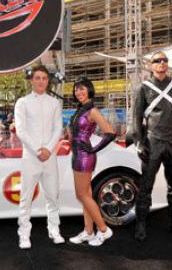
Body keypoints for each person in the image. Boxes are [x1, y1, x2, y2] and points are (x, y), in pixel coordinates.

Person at [132, 51, 172, 242]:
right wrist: (139, 143)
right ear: (151, 65)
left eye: (164, 60)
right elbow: (136, 118)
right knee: (145, 186)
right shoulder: (143, 88)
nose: (161, 63)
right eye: (157, 61)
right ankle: (141, 224)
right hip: (152, 142)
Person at [15, 65, 64, 249]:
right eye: (37, 78)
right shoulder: (23, 102)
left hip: (50, 157)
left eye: (44, 78)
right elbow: (21, 130)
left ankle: (54, 230)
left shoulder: (54, 103)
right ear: (31, 80)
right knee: (25, 197)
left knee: (52, 195)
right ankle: (24, 234)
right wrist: (38, 150)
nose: (41, 81)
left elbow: (58, 129)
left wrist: (48, 150)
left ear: (48, 81)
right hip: (31, 156)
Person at [68, 77, 116, 246]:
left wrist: (94, 149)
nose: (78, 92)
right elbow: (73, 134)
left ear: (89, 90)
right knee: (85, 195)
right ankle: (88, 231)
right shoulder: (80, 109)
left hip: (85, 156)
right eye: (76, 89)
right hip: (77, 155)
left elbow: (110, 132)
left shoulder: (92, 111)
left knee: (81, 195)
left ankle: (104, 230)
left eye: (82, 89)